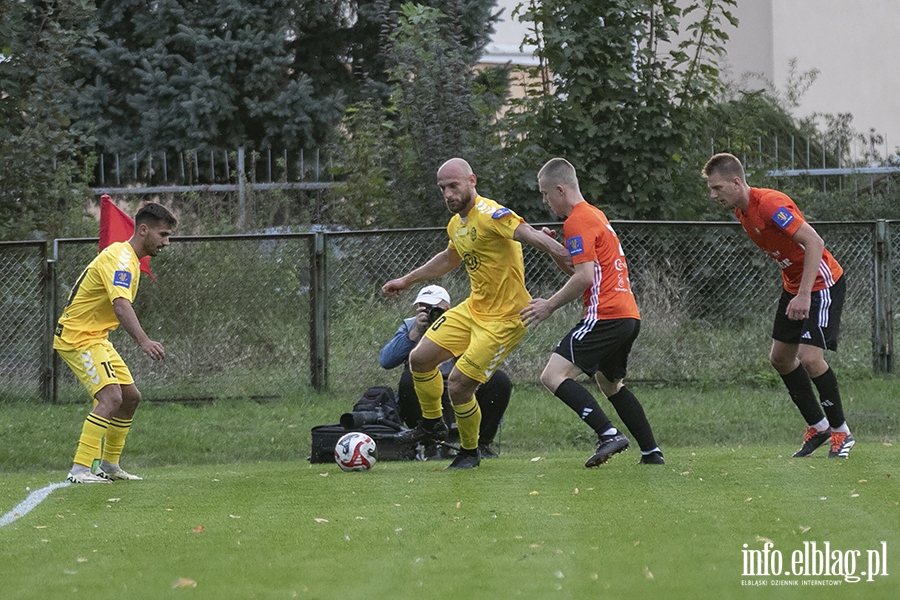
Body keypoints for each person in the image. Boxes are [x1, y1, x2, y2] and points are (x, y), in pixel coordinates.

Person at [381, 157, 572, 469]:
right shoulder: (458, 223)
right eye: (442, 188)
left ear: (472, 181)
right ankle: (431, 424)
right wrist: (407, 280)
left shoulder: (491, 213)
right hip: (473, 309)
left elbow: (527, 233)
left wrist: (566, 256)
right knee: (419, 359)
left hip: (505, 320)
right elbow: (448, 257)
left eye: (453, 186)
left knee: (458, 385)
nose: (448, 194)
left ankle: (470, 451)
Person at [702, 153, 854, 458]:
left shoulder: (769, 204)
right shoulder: (741, 212)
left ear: (736, 182)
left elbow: (815, 243)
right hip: (794, 286)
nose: (712, 194)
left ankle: (841, 432)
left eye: (717, 187)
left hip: (821, 283)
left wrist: (805, 295)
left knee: (810, 358)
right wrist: (795, 290)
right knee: (781, 359)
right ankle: (819, 426)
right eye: (711, 188)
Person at [521, 158, 664, 467]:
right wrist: (552, 248)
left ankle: (608, 434)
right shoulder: (595, 215)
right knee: (611, 384)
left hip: (605, 315)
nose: (545, 201)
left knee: (552, 375)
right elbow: (580, 269)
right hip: (627, 315)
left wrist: (548, 306)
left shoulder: (578, 220)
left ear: (560, 189)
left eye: (546, 194)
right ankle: (652, 453)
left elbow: (584, 278)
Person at [55, 203, 177, 483]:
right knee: (111, 398)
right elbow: (121, 305)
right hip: (78, 337)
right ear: (143, 230)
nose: (166, 242)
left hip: (95, 337)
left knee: (131, 398)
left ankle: (109, 465)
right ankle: (80, 469)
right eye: (163, 234)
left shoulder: (131, 259)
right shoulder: (121, 258)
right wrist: (144, 341)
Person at [379, 284, 512, 459]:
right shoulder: (411, 326)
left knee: (499, 380)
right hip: (426, 387)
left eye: (434, 308)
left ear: (448, 309)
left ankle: (482, 444)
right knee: (408, 379)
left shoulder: (463, 322)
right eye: (423, 307)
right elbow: (386, 360)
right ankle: (431, 444)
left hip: (461, 382)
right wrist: (416, 333)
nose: (429, 312)